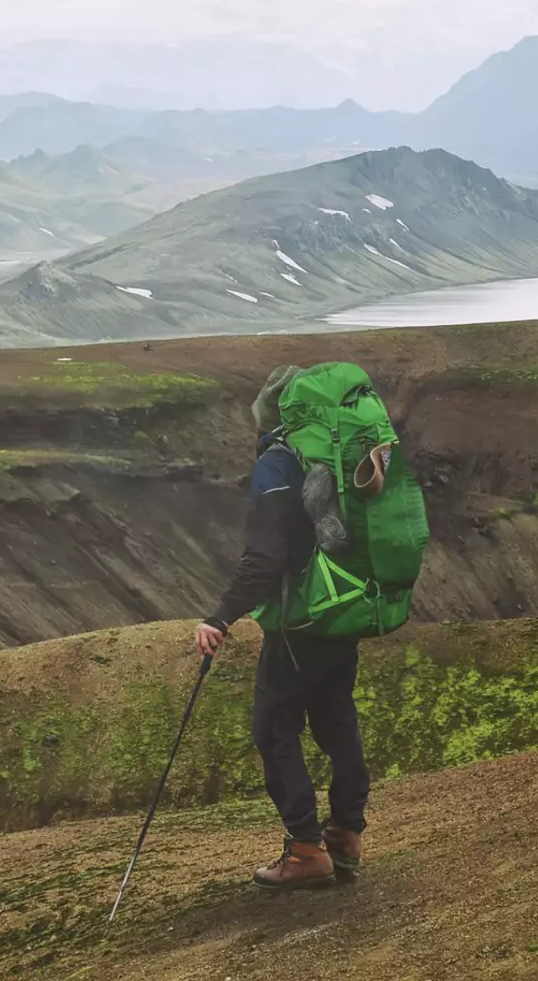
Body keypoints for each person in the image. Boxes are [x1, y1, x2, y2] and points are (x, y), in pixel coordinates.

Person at [193, 364, 369, 890]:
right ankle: (346, 835)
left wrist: (221, 615)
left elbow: (265, 559)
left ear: (269, 418)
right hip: (343, 611)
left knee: (274, 730)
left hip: (298, 626)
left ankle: (307, 851)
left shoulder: (276, 464)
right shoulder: (334, 454)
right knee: (337, 720)